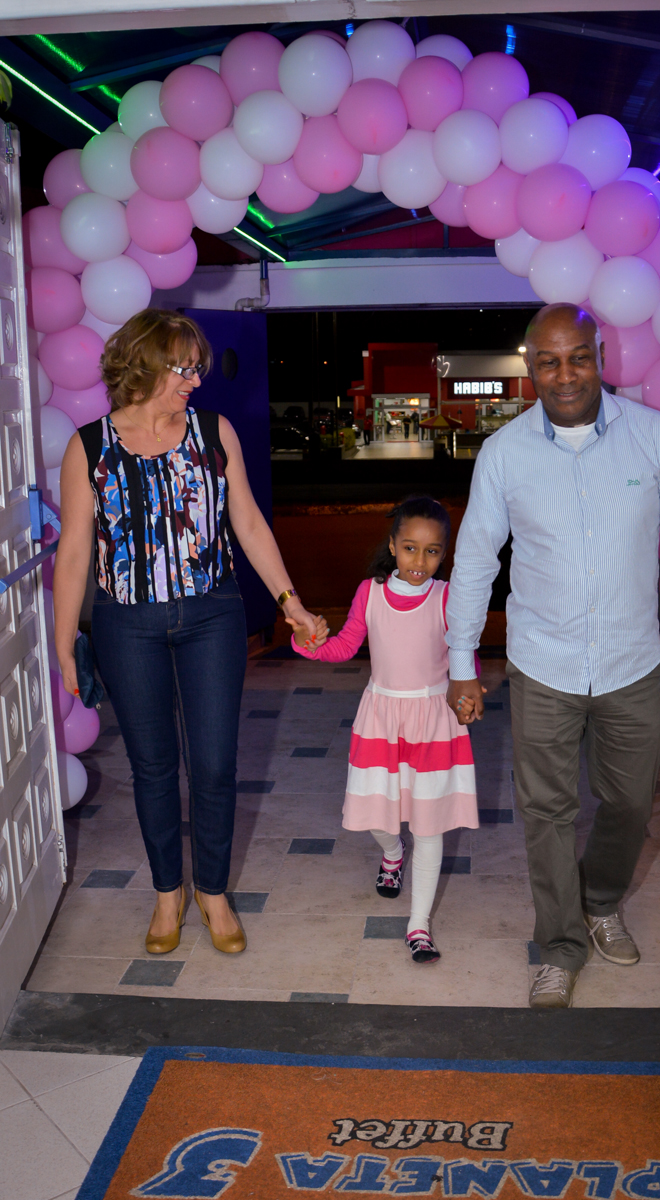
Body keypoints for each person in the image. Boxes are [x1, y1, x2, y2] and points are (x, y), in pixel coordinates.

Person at [446, 304, 660, 1009]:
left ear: (599, 355)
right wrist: (460, 660)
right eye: (548, 361)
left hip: (630, 663)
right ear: (529, 368)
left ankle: (600, 898)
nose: (564, 373)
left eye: (577, 356)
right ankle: (562, 943)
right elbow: (477, 559)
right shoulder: (505, 453)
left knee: (631, 799)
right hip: (541, 663)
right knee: (545, 811)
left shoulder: (653, 438)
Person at [54, 309, 327, 957]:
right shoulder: (88, 447)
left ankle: (212, 891)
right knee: (151, 767)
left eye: (197, 367)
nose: (195, 381)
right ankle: (166, 894)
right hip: (126, 625)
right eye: (184, 367)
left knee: (212, 763)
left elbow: (250, 526)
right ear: (145, 364)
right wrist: (64, 642)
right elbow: (72, 554)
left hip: (212, 616)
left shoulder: (214, 433)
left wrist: (290, 602)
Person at [293, 496, 479, 962]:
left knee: (431, 827)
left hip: (434, 722)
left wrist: (468, 696)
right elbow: (343, 648)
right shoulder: (369, 593)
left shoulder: (448, 597)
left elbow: (464, 660)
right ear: (393, 545)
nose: (421, 561)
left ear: (444, 553)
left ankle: (419, 925)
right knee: (376, 816)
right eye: (411, 548)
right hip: (381, 719)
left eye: (432, 551)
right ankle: (393, 854)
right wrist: (309, 644)